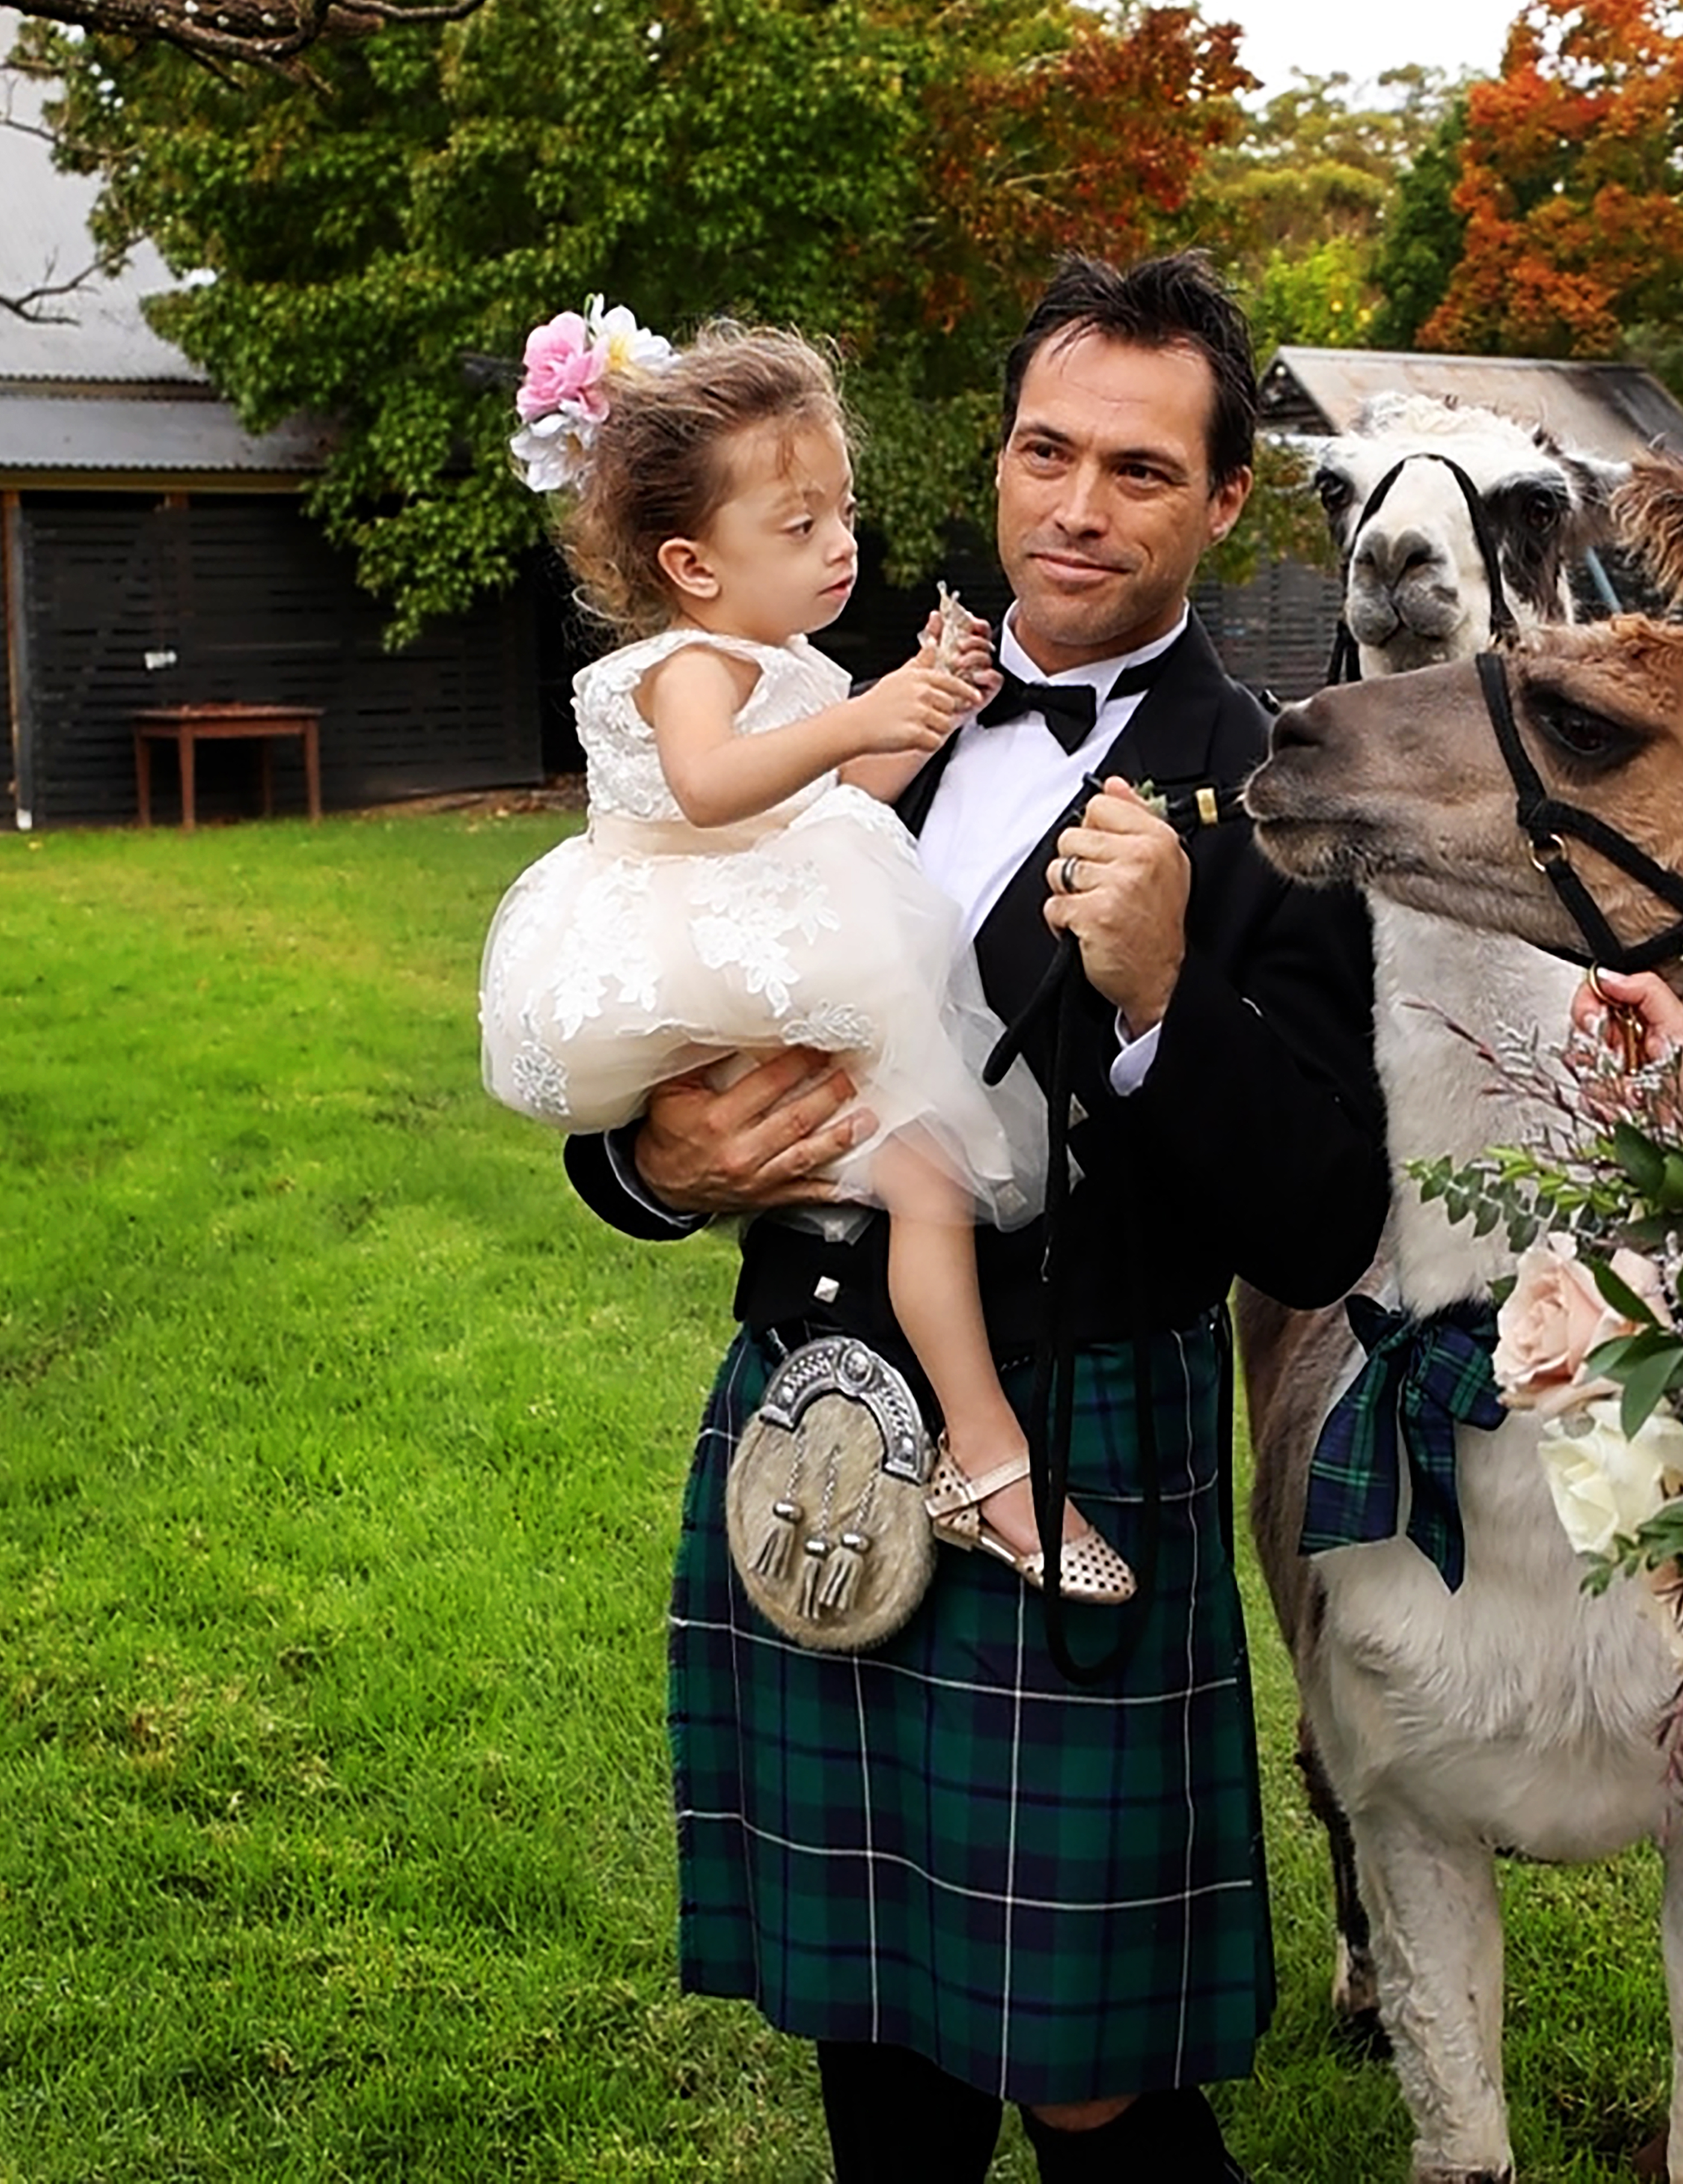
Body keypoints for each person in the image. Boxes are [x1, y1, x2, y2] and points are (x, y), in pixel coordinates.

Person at [563, 256, 1388, 2181]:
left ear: (1224, 503)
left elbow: (1323, 1224)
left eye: (1141, 469)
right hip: (815, 1393)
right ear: (998, 458)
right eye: (1045, 452)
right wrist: (654, 1169)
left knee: (1093, 2075)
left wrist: (1170, 1001)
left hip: (1075, 1418)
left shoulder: (1275, 794)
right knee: (873, 2024)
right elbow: (641, 995)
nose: (1080, 506)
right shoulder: (834, 721)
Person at [479, 321, 1130, 1595]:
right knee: (934, 1182)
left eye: (842, 510)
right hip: (717, 962)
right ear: (691, 564)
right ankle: (989, 1461)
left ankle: (983, 1458)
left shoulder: (776, 661)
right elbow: (714, 786)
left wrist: (921, 707)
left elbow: (847, 794)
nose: (841, 544)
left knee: (935, 1183)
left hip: (789, 930)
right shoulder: (687, 668)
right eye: (799, 525)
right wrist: (863, 712)